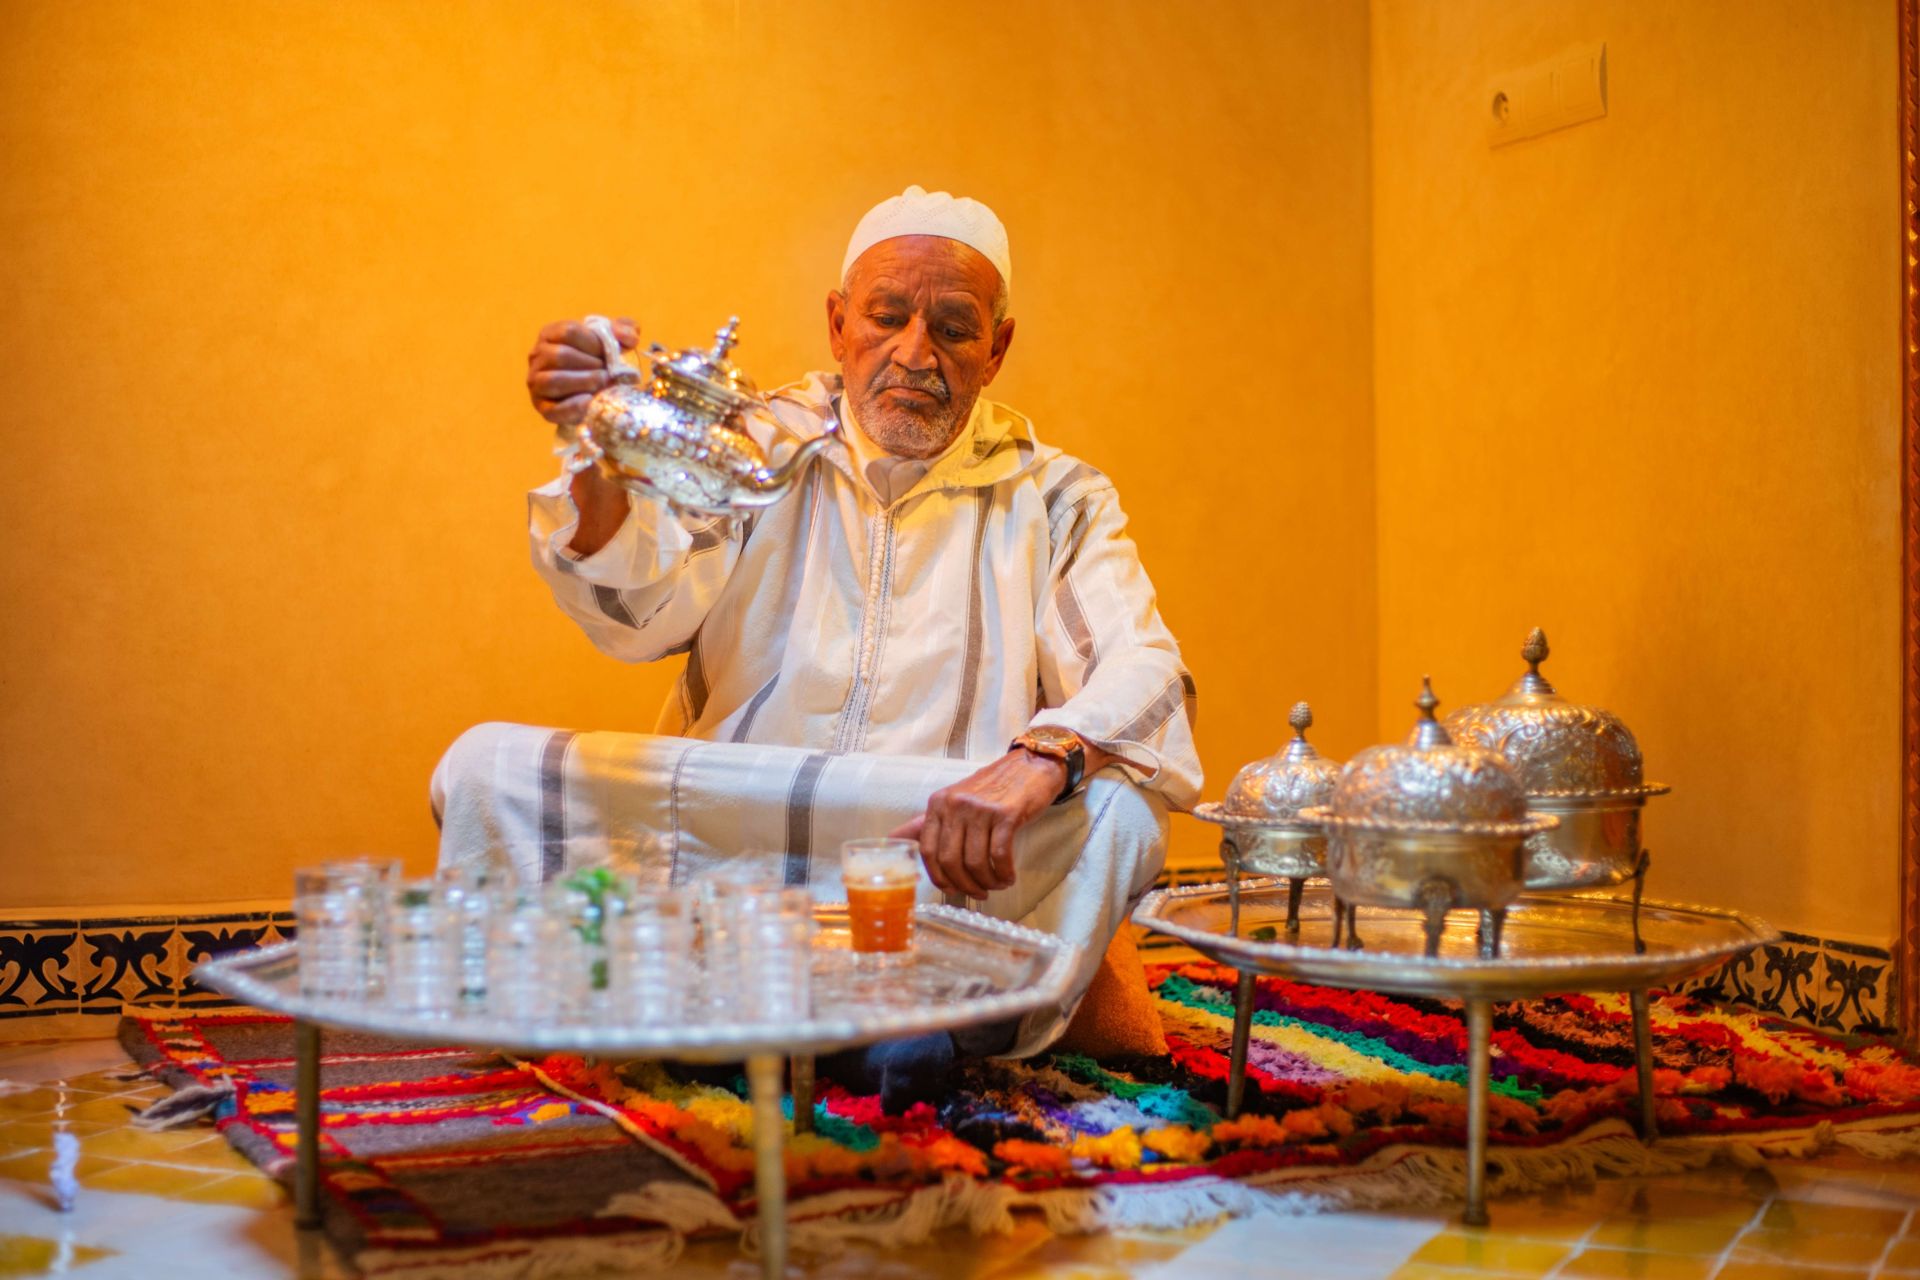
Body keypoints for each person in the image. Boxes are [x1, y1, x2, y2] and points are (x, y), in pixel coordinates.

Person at [440, 186, 1200, 1098]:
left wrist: (1039, 758)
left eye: (954, 329)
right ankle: (889, 1022)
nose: (914, 354)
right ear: (839, 324)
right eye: (887, 316)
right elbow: (636, 608)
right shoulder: (754, 443)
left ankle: (742, 1012)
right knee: (482, 765)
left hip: (933, 858)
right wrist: (596, 445)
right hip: (737, 835)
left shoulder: (1059, 496)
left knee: (1123, 810)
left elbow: (1146, 668)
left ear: (996, 350)